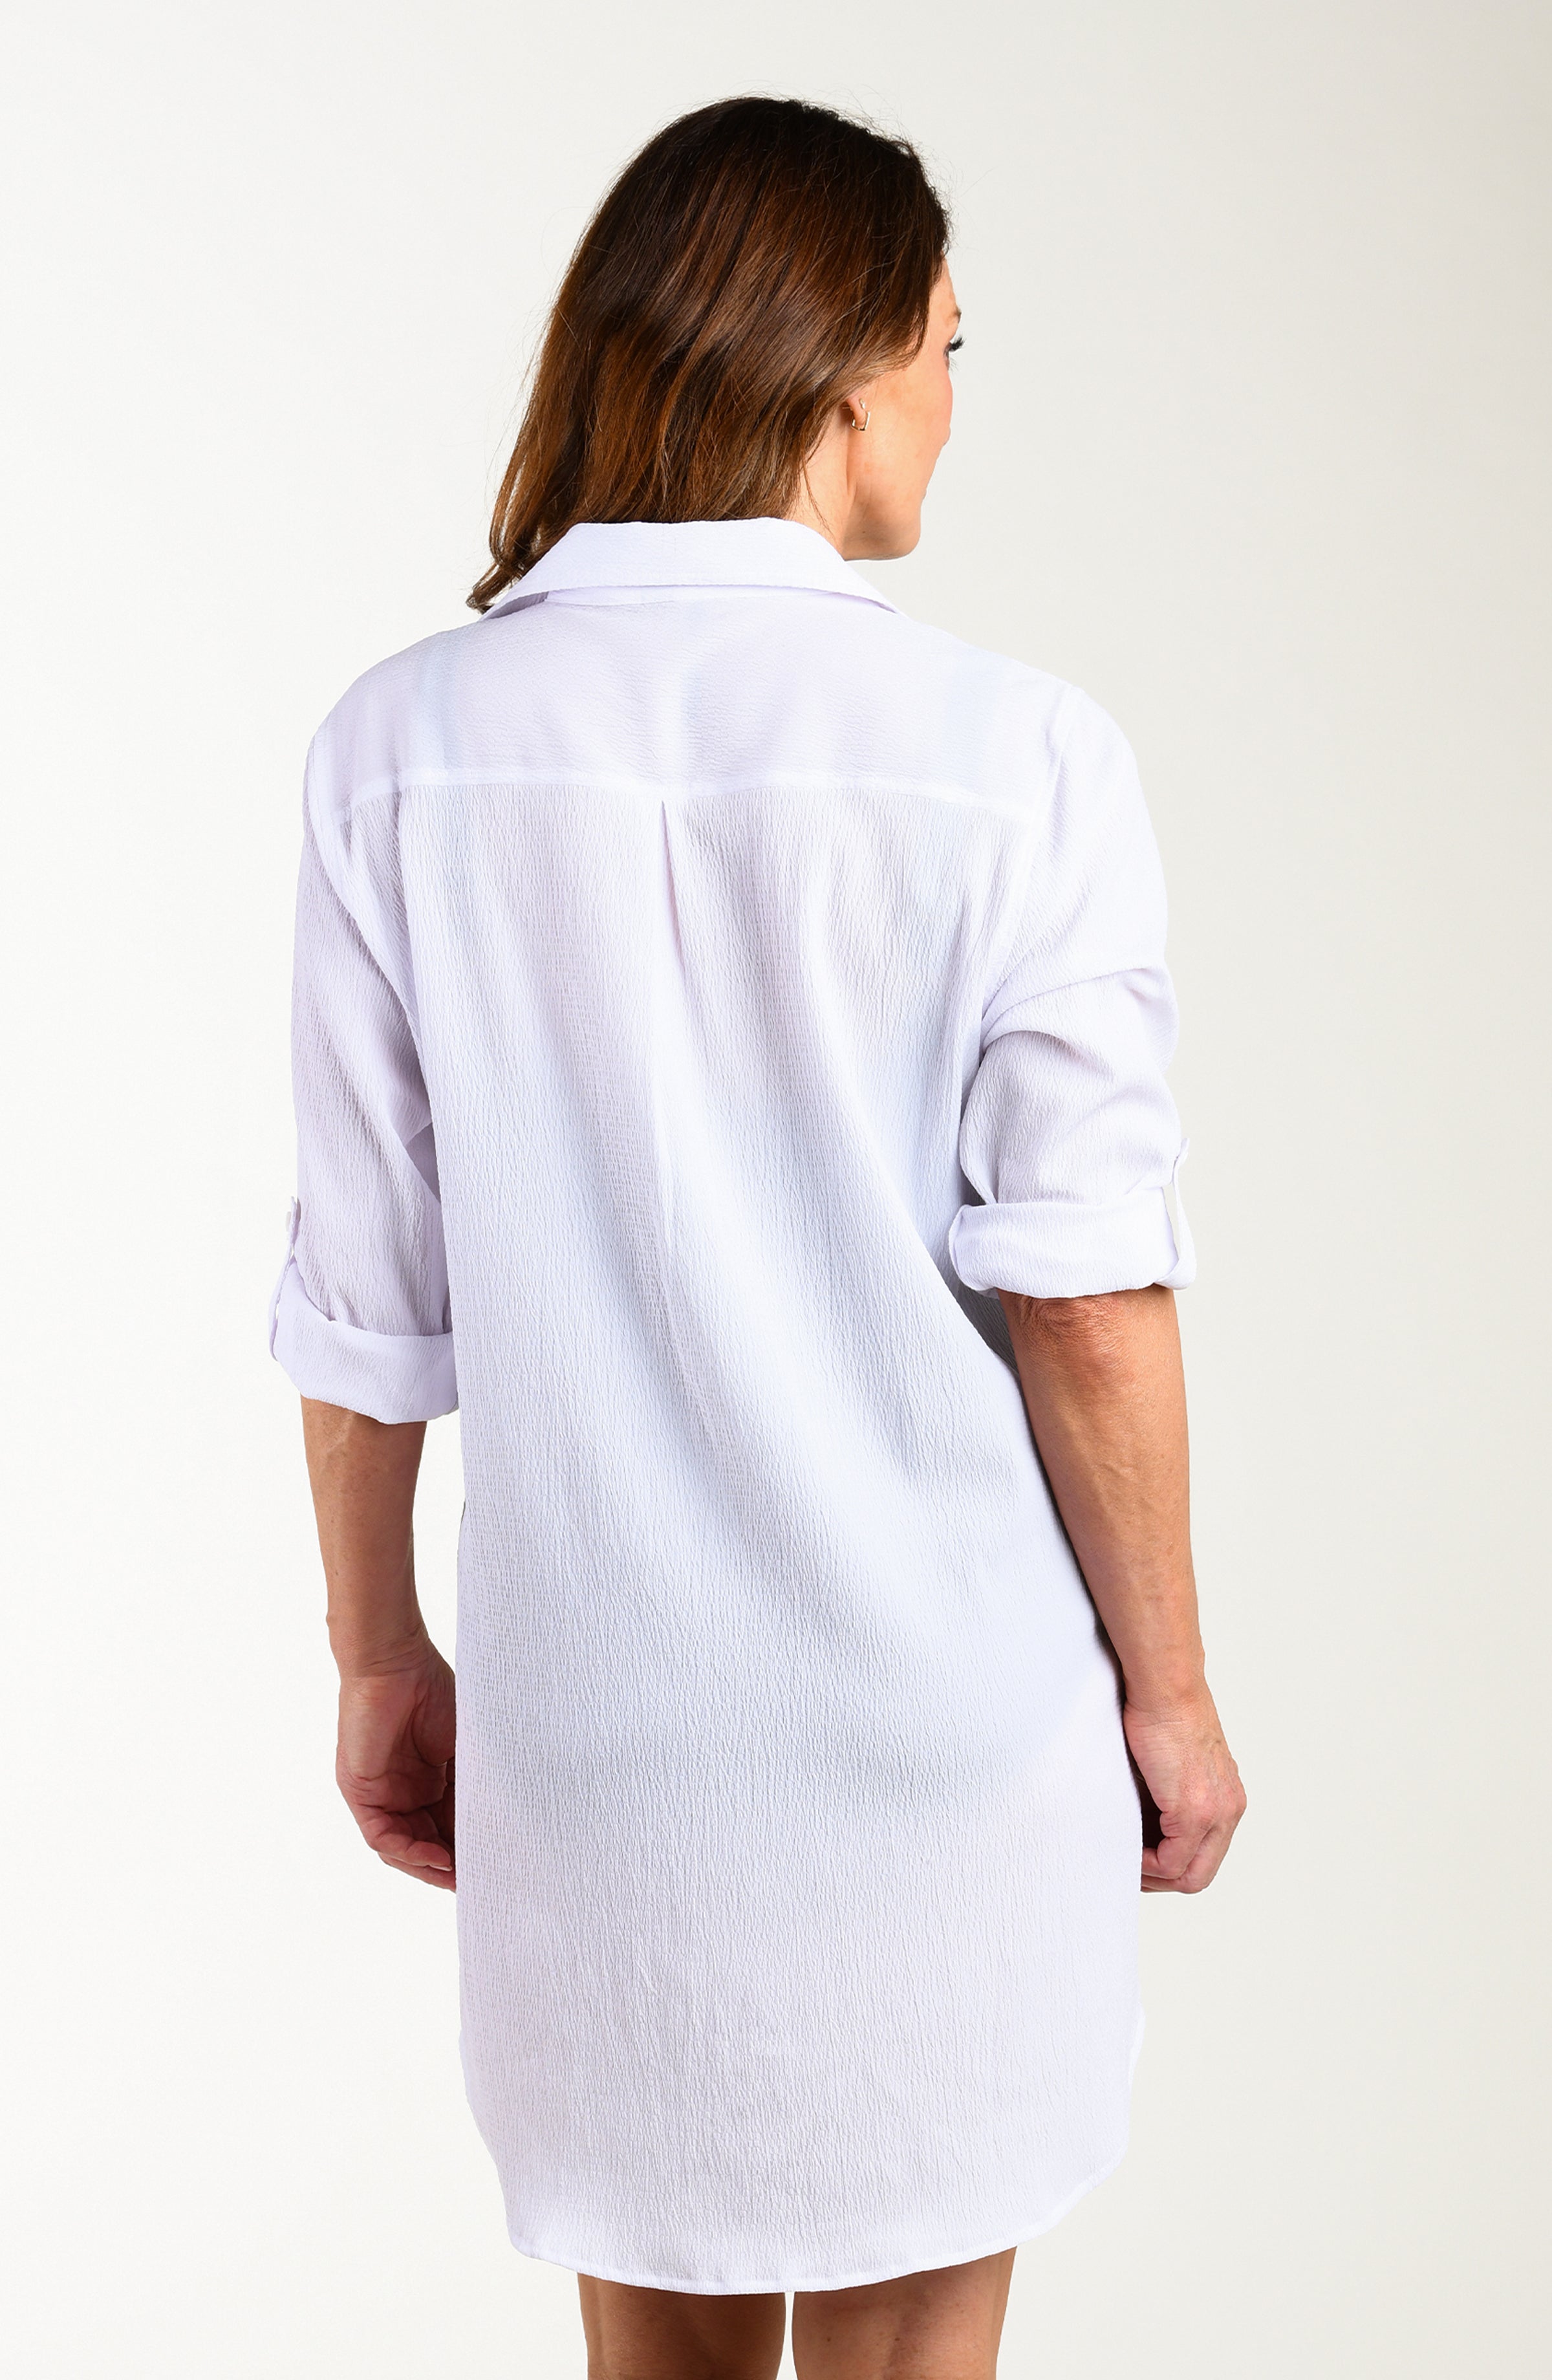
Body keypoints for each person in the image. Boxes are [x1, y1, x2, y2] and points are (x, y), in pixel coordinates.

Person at [272, 94, 1245, 2380]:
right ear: (841, 362)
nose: (953, 401)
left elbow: (368, 1295)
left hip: (606, 1756)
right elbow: (1086, 1294)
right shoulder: (1019, 757)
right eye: (948, 343)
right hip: (954, 1735)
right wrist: (1174, 1696)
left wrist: (380, 1655)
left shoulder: (400, 751)